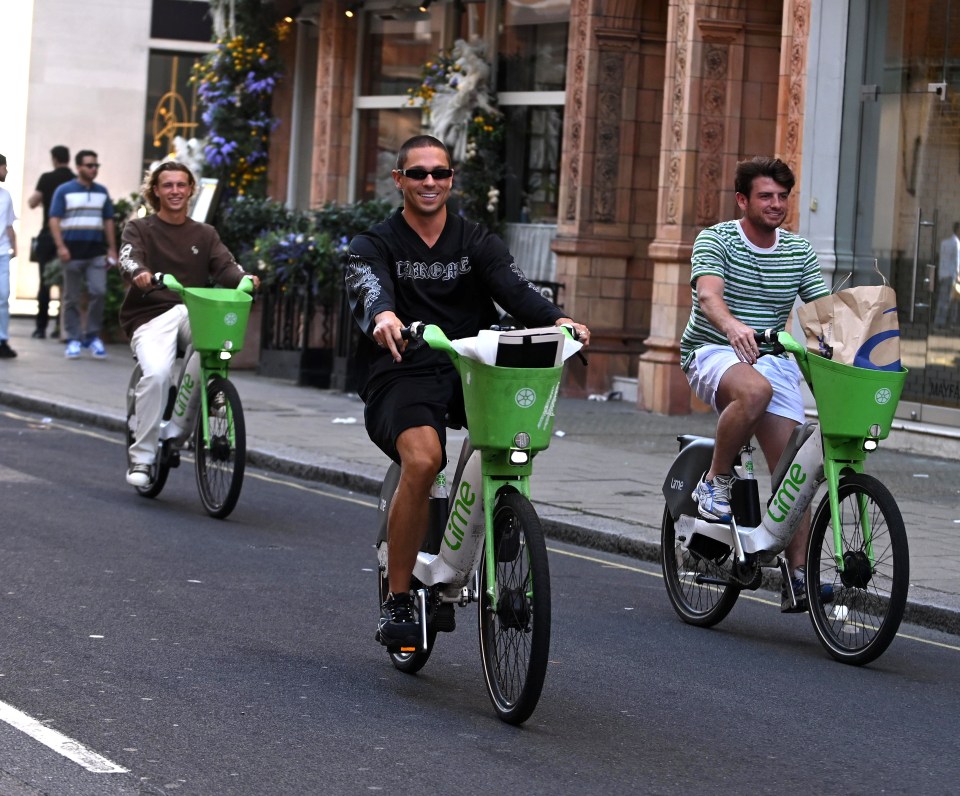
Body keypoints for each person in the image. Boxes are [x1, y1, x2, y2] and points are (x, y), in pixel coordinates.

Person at [345, 134, 591, 648]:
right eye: (418, 174)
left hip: (471, 366)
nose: (430, 182)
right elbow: (371, 290)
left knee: (510, 443)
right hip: (402, 368)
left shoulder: (477, 240)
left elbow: (516, 291)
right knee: (423, 460)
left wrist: (560, 320)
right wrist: (384, 315)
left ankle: (478, 538)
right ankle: (397, 599)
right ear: (399, 181)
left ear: (451, 179)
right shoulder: (374, 243)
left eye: (439, 173)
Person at [680, 156, 830, 613]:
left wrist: (834, 343)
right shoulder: (716, 238)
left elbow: (822, 313)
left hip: (774, 357)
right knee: (754, 392)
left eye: (783, 196)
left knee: (795, 473)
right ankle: (715, 480)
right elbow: (709, 295)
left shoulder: (798, 251)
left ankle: (798, 574)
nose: (776, 204)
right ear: (743, 199)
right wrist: (732, 327)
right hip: (714, 350)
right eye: (766, 196)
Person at [118, 161, 259, 488]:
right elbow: (129, 258)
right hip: (150, 315)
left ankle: (179, 428)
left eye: (181, 185)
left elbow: (226, 266)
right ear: (155, 191)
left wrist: (244, 279)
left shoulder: (204, 234)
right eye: (167, 185)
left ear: (191, 189)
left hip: (192, 311)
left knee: (214, 349)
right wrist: (140, 273)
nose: (175, 191)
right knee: (156, 375)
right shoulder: (140, 228)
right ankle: (142, 457)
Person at [48, 149, 118, 360]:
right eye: (90, 165)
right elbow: (54, 219)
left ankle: (92, 336)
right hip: (72, 252)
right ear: (78, 167)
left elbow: (108, 221)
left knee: (99, 291)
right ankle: (73, 339)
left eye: (96, 165)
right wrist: (61, 247)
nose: (94, 169)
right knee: (71, 297)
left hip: (96, 252)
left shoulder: (102, 192)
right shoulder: (64, 190)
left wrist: (112, 248)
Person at [26, 145, 74, 339]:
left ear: (54, 159)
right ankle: (60, 327)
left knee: (45, 282)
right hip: (69, 236)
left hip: (48, 234)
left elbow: (32, 202)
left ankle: (40, 327)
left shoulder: (47, 178)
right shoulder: (74, 180)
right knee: (68, 283)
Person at [0, 154, 17, 359]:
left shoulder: (6, 196)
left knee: (3, 296)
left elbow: (9, 224)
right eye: (4, 166)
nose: (7, 170)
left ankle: (2, 339)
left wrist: (14, 246)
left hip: (2, 253)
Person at [935, 222, 960, 328]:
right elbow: (957, 261)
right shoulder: (956, 243)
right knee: (950, 300)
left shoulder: (945, 243)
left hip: (944, 274)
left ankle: (941, 321)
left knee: (944, 299)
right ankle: (945, 323)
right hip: (952, 276)